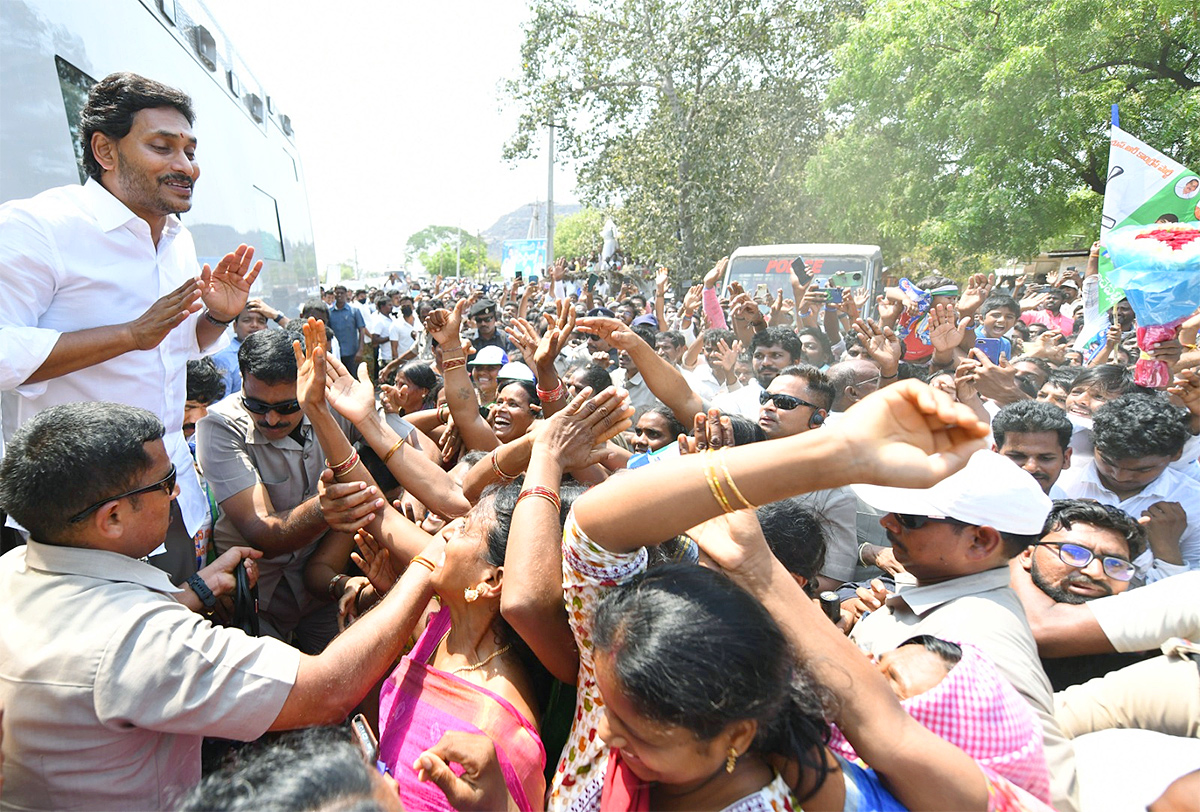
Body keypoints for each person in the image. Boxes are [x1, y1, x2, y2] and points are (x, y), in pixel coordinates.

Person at [549, 379, 1053, 812]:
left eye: (642, 735)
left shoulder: (810, 789)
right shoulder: (627, 682)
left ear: (737, 736)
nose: (610, 735)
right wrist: (830, 457)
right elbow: (595, 528)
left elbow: (894, 737)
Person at [0, 402, 454, 810]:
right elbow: (326, 691)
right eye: (166, 483)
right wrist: (427, 562)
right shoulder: (139, 638)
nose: (178, 494)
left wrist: (195, 590)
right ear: (112, 517)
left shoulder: (13, 569)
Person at [0, 72, 261, 585]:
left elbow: (177, 346)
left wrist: (219, 317)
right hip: (76, 515)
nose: (185, 166)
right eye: (162, 147)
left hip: (169, 498)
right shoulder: (38, 227)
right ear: (105, 150)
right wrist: (127, 335)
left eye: (189, 150)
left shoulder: (177, 240)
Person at [848, 450, 1080, 812]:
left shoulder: (980, 635)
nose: (888, 522)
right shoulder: (940, 595)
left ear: (980, 542)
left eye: (910, 517)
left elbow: (1047, 794)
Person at [1056, 394, 1200, 582]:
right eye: (1108, 462)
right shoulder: (1061, 481)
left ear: (1176, 455)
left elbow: (1189, 594)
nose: (1120, 476)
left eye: (1142, 469)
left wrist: (1167, 550)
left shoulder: (1193, 503)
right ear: (1095, 445)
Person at [1009, 499, 1148, 691]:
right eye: (1074, 553)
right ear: (1026, 555)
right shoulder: (982, 613)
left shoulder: (1140, 649)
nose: (1095, 572)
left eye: (1115, 564)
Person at [992, 400, 1074, 496]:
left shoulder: (1065, 502)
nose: (1031, 467)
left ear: (1066, 459)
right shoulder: (974, 506)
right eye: (1017, 456)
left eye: (1045, 458)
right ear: (994, 455)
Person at [208, 300, 275, 396]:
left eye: (260, 321)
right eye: (247, 320)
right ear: (235, 327)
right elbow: (220, 402)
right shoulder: (222, 358)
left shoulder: (272, 354)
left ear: (266, 328)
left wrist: (277, 316)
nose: (254, 325)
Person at [329, 284, 368, 371]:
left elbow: (362, 330)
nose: (339, 295)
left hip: (352, 353)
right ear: (334, 294)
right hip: (336, 354)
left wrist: (360, 350)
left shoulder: (354, 311)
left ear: (346, 294)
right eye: (337, 293)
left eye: (342, 293)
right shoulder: (329, 312)